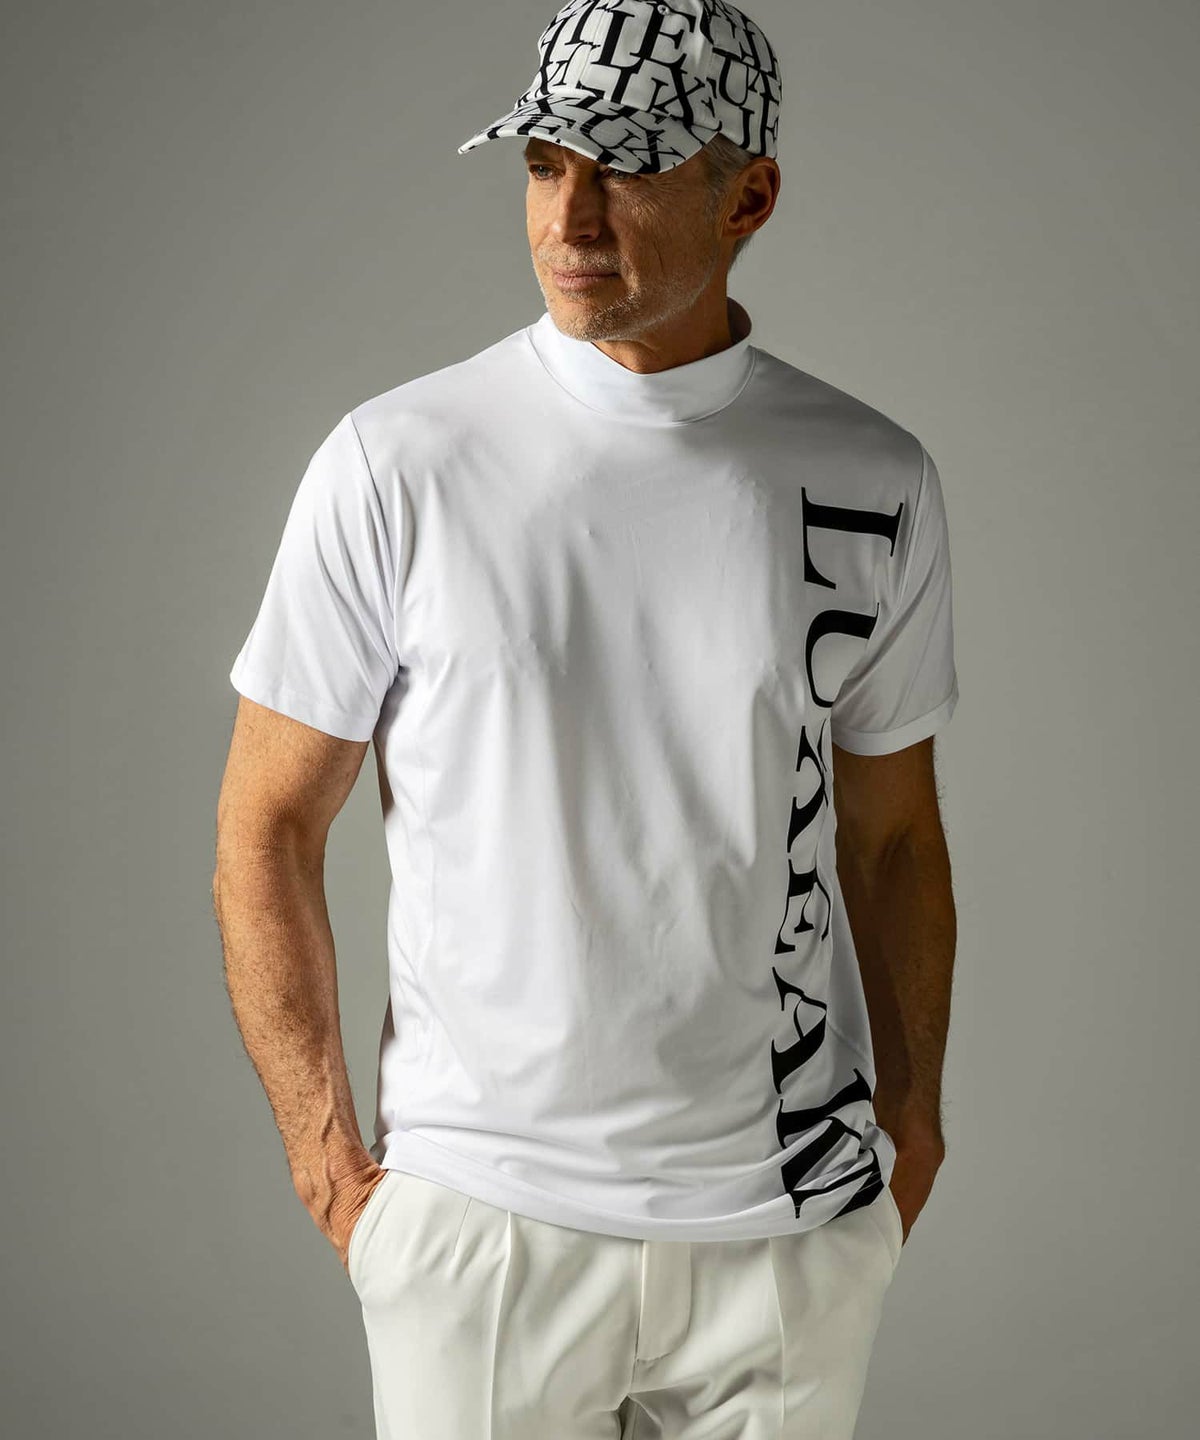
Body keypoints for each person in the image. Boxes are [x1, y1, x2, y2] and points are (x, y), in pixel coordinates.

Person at [213, 1, 960, 1434]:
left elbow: (892, 838)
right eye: (547, 165)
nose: (572, 218)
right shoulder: (399, 464)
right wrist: (331, 1161)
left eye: (627, 170)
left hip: (790, 1225)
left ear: (749, 197)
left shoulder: (872, 478)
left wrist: (911, 1129)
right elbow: (266, 824)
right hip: (484, 1225)